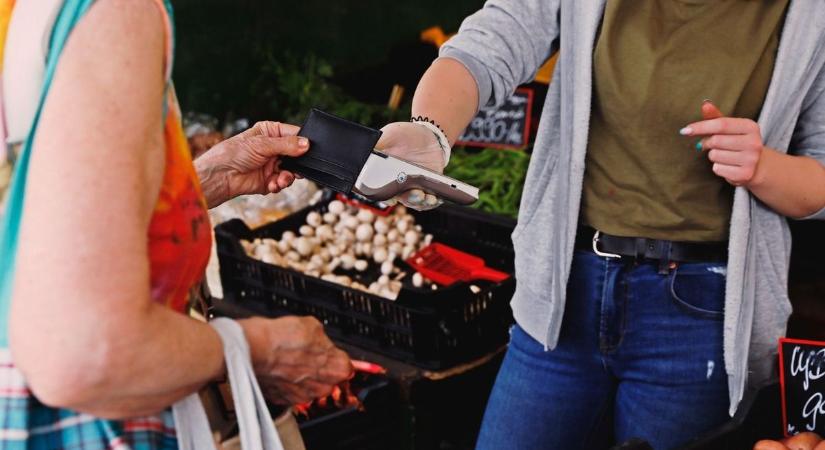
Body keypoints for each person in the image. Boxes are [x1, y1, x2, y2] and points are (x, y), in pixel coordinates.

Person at [376, 1, 825, 448]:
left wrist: (763, 167)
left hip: (701, 318)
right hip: (563, 294)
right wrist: (430, 132)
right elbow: (488, 45)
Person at [0, 0, 352, 447]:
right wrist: (256, 349)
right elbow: (87, 352)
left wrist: (202, 181)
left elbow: (29, 214)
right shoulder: (113, 11)